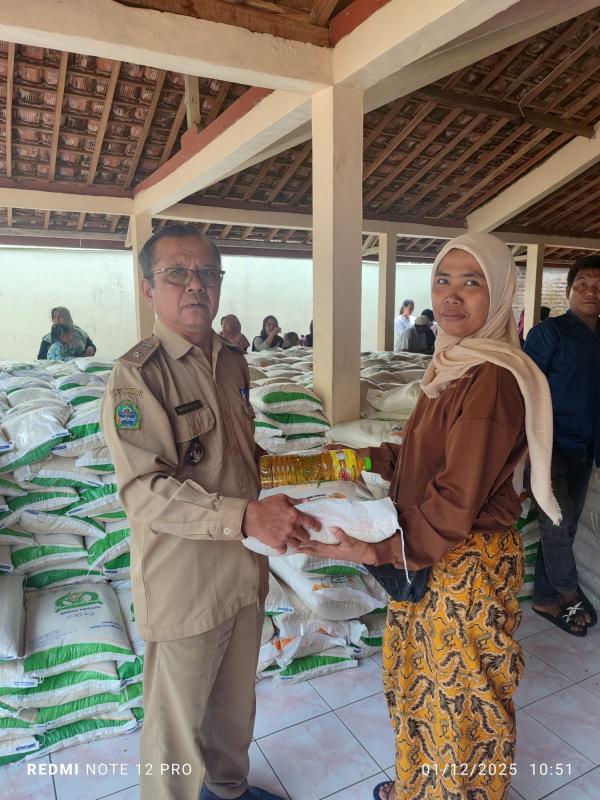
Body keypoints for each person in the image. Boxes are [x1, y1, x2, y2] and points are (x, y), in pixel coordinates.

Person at [300, 232, 560, 800]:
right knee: (417, 680)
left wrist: (376, 549)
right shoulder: (455, 365)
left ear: (500, 293)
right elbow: (425, 457)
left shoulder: (492, 378)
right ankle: (419, 786)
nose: (452, 295)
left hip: (464, 565)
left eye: (472, 282)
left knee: (461, 700)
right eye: (443, 280)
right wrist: (365, 459)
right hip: (432, 552)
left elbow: (456, 496)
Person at [100, 224, 319, 800]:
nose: (195, 285)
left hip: (242, 570)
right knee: (175, 730)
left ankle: (229, 790)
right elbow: (143, 490)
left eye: (207, 273)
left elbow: (239, 457)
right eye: (177, 273)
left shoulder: (231, 361)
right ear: (149, 288)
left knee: (233, 707)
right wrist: (247, 517)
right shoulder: (138, 377)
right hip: (186, 580)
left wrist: (301, 481)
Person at [524, 256, 600, 635]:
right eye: (583, 284)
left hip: (585, 448)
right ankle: (569, 594)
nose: (591, 291)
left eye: (599, 286)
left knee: (564, 527)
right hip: (547, 448)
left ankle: (544, 597)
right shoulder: (548, 333)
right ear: (569, 291)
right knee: (558, 523)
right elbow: (524, 389)